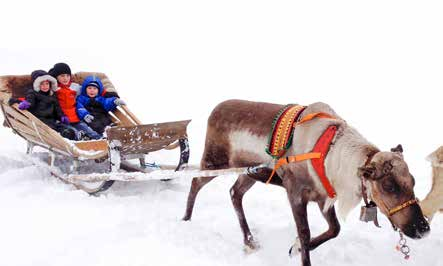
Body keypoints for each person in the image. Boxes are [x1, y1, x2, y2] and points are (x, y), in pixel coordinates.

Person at [9, 70, 77, 140]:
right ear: (37, 84)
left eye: (47, 84)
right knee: (51, 128)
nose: (45, 86)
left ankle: (71, 134)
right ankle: (61, 136)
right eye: (42, 84)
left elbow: (57, 108)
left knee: (62, 126)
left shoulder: (52, 94)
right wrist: (24, 103)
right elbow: (30, 100)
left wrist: (62, 116)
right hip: (39, 120)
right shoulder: (33, 93)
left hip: (51, 120)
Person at [49, 62, 101, 139]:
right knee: (72, 131)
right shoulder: (54, 89)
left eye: (67, 75)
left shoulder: (75, 87)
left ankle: (100, 139)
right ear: (56, 77)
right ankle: (81, 139)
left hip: (75, 118)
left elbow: (88, 90)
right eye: (62, 76)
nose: (65, 78)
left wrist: (107, 92)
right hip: (62, 119)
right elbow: (40, 94)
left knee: (87, 129)